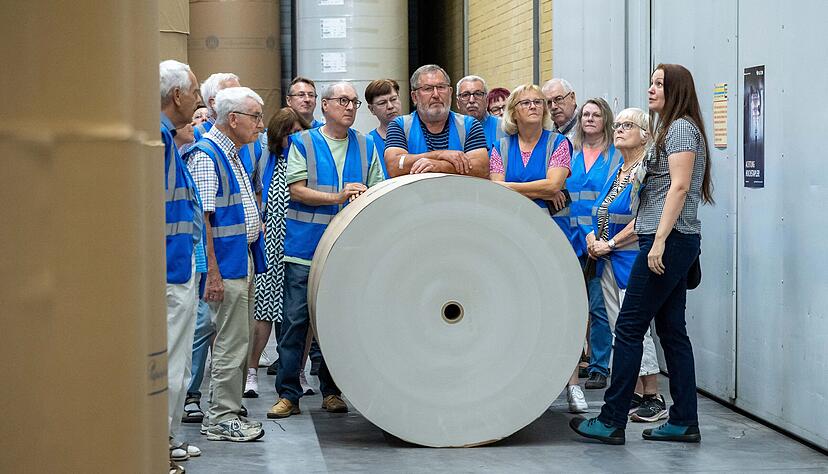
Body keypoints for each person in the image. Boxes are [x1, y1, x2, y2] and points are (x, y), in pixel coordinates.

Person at [570, 64, 713, 444]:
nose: (650, 89)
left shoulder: (681, 128)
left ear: (677, 90)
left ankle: (612, 418)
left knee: (630, 327)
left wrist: (661, 240)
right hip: (671, 240)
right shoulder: (672, 128)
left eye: (659, 84)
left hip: (667, 241)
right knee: (671, 332)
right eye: (651, 82)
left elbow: (680, 188)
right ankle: (684, 420)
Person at [268, 82, 385, 419]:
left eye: (354, 102)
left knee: (338, 323)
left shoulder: (365, 145)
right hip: (304, 248)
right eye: (342, 100)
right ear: (325, 107)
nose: (350, 107)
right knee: (295, 322)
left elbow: (378, 189)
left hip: (348, 250)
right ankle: (288, 394)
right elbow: (297, 190)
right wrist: (338, 197)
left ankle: (332, 391)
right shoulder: (303, 143)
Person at [487, 85, 582, 413]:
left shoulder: (559, 144)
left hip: (554, 236)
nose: (534, 107)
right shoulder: (500, 146)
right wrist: (538, 190)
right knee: (514, 307)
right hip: (513, 237)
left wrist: (512, 188)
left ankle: (572, 385)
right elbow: (496, 191)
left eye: (539, 103)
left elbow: (554, 185)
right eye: (526, 102)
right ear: (513, 111)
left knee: (563, 308)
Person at [186, 86, 268, 442]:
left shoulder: (232, 152)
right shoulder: (208, 155)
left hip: (240, 261)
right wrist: (213, 275)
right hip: (226, 267)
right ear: (233, 119)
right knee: (230, 344)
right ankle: (221, 418)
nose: (261, 125)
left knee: (238, 341)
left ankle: (227, 412)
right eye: (255, 117)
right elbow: (203, 221)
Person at [586, 107, 667, 422]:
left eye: (627, 125)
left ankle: (653, 396)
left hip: (631, 259)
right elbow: (601, 212)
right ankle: (634, 390)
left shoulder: (645, 170)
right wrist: (594, 239)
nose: (619, 129)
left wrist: (610, 243)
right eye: (617, 124)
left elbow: (645, 219)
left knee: (636, 329)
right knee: (621, 329)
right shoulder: (618, 170)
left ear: (645, 133)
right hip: (609, 260)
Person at [243, 108, 311, 398]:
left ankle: (297, 370)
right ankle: (252, 371)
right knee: (265, 308)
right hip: (272, 239)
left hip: (300, 240)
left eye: (298, 132)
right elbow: (257, 192)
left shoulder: (309, 161)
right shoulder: (267, 159)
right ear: (278, 136)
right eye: (289, 133)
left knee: (299, 313)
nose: (294, 138)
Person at [160, 59, 202, 472]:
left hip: (178, 263)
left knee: (181, 359)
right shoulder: (157, 137)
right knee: (171, 359)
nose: (197, 100)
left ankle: (168, 436)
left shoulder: (167, 138)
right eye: (193, 92)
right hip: (169, 268)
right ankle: (157, 442)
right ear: (176, 96)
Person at [564, 98, 619, 391]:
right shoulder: (568, 151)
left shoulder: (615, 156)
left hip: (598, 239)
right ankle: (570, 362)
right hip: (568, 237)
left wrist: (601, 238)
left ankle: (599, 365)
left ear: (605, 119)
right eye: (585, 114)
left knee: (598, 306)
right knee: (570, 304)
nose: (589, 119)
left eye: (596, 114)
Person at [384, 64, 489, 178]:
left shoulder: (469, 125)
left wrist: (439, 166)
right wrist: (440, 154)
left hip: (459, 195)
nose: (436, 95)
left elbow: (481, 169)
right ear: (414, 97)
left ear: (450, 92)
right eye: (428, 89)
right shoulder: (400, 125)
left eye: (441, 87)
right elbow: (394, 166)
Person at [365, 78, 402, 179]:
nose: (390, 106)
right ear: (372, 109)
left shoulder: (416, 132)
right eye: (382, 103)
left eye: (394, 99)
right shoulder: (368, 143)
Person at [455, 75, 504, 150]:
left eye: (478, 94)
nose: (471, 100)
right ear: (458, 103)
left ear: (487, 101)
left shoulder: (504, 128)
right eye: (465, 95)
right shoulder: (448, 129)